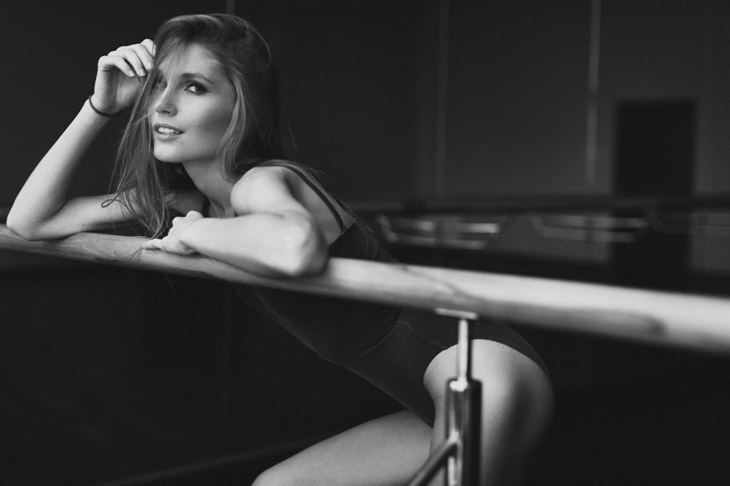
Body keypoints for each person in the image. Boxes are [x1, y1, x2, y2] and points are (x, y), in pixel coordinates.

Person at [7, 13, 553, 485]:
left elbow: (295, 248)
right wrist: (100, 106)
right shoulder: (186, 198)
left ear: (239, 106)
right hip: (428, 395)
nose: (163, 105)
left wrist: (193, 234)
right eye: (158, 86)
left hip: (481, 370)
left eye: (194, 87)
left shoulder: (262, 181)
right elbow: (31, 222)